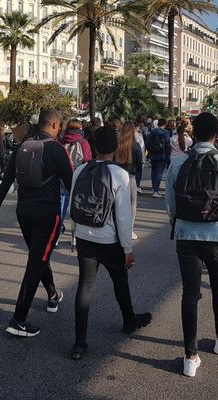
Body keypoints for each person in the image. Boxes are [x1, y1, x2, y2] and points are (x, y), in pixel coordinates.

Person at [166, 112, 218, 377]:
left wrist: (178, 226)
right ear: (216, 135)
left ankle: (190, 356)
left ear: (194, 134)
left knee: (189, 293)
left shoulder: (178, 164)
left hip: (186, 236)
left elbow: (171, 204)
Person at [0, 109, 73, 337]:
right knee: (37, 260)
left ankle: (52, 294)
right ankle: (18, 319)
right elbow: (71, 182)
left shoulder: (22, 146)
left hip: (23, 211)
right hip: (47, 213)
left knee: (39, 255)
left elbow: (6, 181)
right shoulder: (56, 149)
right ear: (53, 125)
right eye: (59, 126)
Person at [69, 126, 152, 361]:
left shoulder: (81, 170)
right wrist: (127, 249)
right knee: (120, 282)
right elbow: (124, 216)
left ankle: (79, 342)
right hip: (109, 240)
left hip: (85, 236)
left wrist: (75, 235)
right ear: (115, 147)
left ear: (94, 146)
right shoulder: (119, 174)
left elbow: (72, 208)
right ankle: (129, 321)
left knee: (85, 287)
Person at [114, 121, 143, 240]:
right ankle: (129, 230)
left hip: (116, 176)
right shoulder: (135, 145)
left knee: (116, 203)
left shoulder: (116, 144)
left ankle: (116, 228)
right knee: (132, 204)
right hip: (130, 177)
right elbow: (139, 163)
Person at [146, 118, 171, 198]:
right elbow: (168, 145)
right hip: (162, 155)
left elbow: (147, 142)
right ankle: (155, 191)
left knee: (153, 171)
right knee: (159, 173)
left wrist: (150, 151)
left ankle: (154, 188)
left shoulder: (153, 132)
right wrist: (168, 156)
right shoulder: (166, 133)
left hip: (153, 154)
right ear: (165, 124)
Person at [134, 124, 146, 193]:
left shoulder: (126, 136)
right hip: (138, 156)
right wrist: (143, 158)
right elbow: (142, 148)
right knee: (138, 172)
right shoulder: (139, 136)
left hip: (129, 157)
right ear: (136, 127)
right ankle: (137, 186)